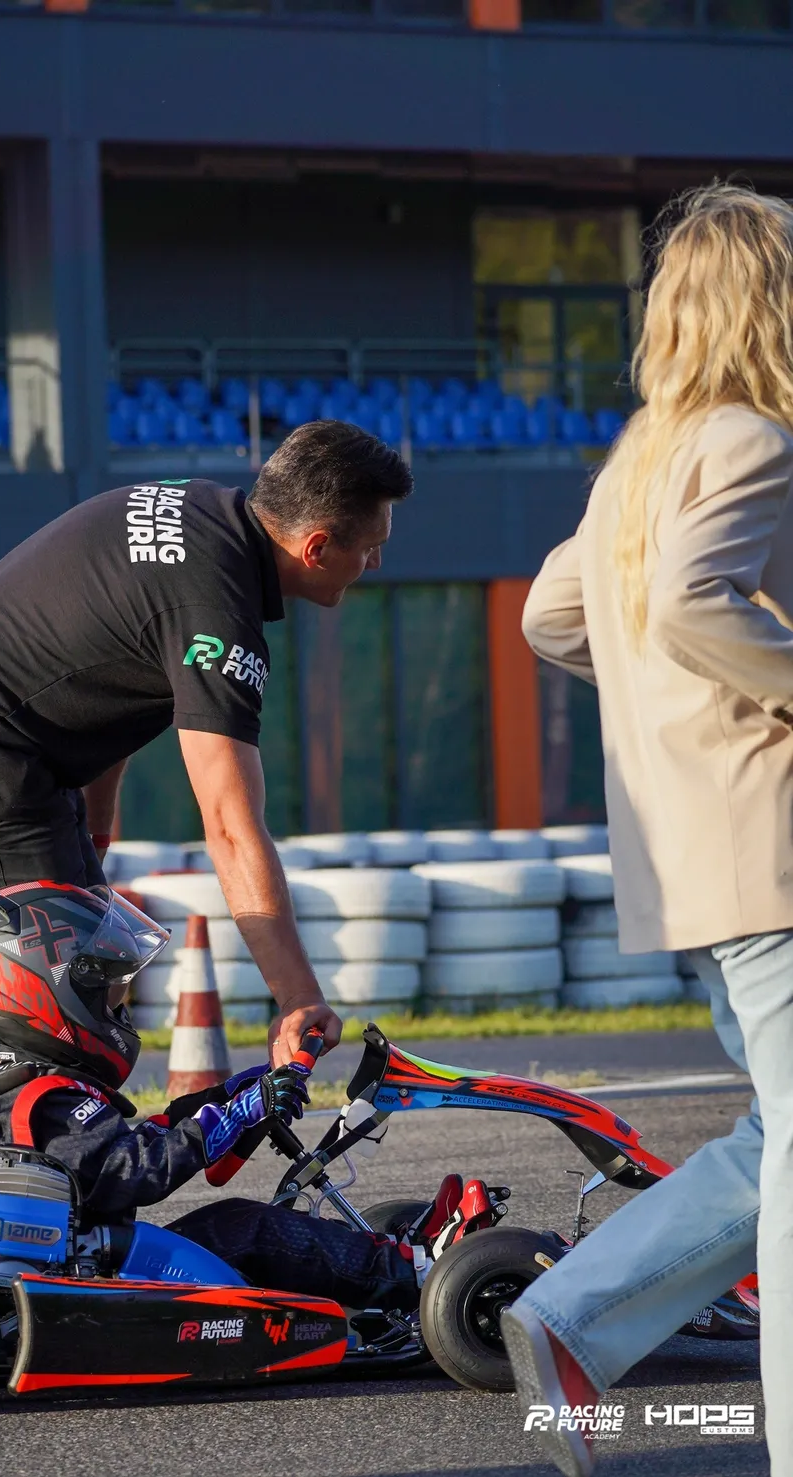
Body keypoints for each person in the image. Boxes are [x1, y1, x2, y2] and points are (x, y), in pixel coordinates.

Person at [502, 182, 793, 1477]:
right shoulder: (754, 438)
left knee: (778, 1129)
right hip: (767, 843)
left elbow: (552, 622)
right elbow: (691, 599)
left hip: (685, 859)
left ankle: (572, 1319)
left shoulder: (641, 455)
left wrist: (666, 717)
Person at [0, 419, 412, 1108]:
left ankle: (9, 1190)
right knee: (54, 1016)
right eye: (370, 549)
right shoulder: (217, 611)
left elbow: (107, 679)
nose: (376, 566)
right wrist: (297, 995)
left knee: (90, 979)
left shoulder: (204, 510)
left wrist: (92, 848)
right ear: (315, 546)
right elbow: (230, 823)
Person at [0, 880, 471, 1308]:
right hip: (93, 1275)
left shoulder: (30, 1087)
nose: (119, 1006)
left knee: (239, 1225)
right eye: (110, 990)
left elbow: (134, 1143)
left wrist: (245, 1090)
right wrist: (241, 1110)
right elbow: (137, 1169)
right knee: (250, 1227)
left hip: (91, 1258)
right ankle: (424, 1272)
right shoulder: (44, 1096)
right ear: (51, 991)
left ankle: (384, 1263)